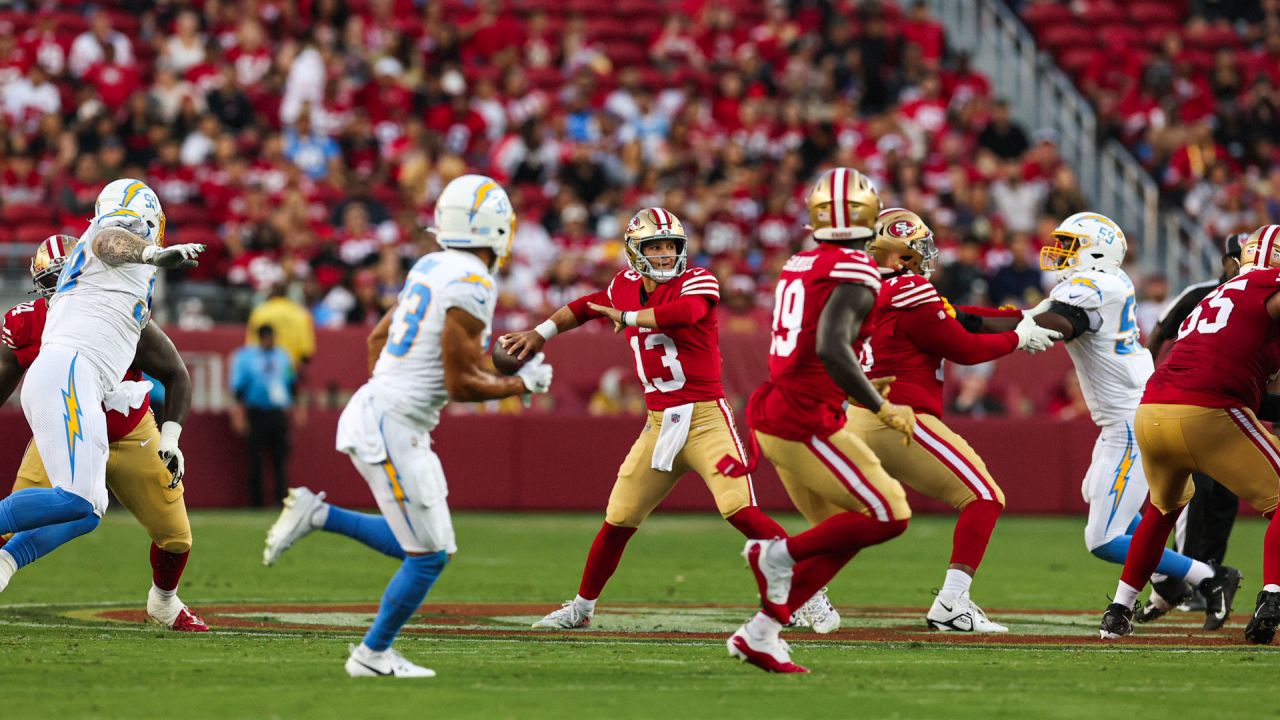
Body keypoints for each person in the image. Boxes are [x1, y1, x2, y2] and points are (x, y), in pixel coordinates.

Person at [261, 175, 554, 678]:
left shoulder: (431, 264)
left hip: (386, 412)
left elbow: (378, 338)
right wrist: (521, 386)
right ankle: (371, 656)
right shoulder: (473, 282)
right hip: (391, 423)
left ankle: (319, 514)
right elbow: (461, 385)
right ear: (496, 230)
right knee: (428, 557)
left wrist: (400, 389)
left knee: (429, 543)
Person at [499, 207, 791, 631]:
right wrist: (538, 333)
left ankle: (809, 591)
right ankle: (581, 608)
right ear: (636, 252)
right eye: (655, 247)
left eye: (671, 246)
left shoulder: (698, 280)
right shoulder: (624, 286)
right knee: (618, 519)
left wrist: (626, 317)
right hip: (658, 424)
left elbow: (684, 315)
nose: (665, 254)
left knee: (739, 509)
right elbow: (585, 306)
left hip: (706, 418)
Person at [716, 168, 914, 673]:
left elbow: (817, 344)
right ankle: (776, 557)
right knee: (890, 514)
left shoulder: (800, 261)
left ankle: (762, 632)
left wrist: (854, 388)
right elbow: (831, 346)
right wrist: (878, 404)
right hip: (803, 416)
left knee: (843, 530)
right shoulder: (856, 268)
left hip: (790, 406)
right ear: (870, 214)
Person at [851, 208, 1060, 632]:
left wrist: (1024, 315)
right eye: (919, 248)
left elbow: (958, 314)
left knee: (859, 515)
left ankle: (798, 593)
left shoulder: (863, 292)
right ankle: (951, 603)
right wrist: (1018, 338)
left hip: (854, 416)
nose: (928, 255)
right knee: (984, 497)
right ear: (898, 256)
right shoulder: (911, 290)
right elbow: (963, 346)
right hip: (900, 415)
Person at [1032, 212, 1240, 631]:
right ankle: (1165, 575)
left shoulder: (1098, 286)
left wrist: (982, 328)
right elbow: (1039, 315)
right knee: (1097, 494)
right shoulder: (1109, 282)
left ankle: (1207, 576)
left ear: (1094, 251)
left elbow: (1052, 322)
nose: (1059, 252)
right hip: (1125, 417)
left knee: (1103, 539)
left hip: (1131, 423)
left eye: (1069, 244)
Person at [0, 178, 205, 592]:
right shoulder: (109, 238)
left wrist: (171, 437)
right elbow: (108, 240)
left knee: (88, 509)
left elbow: (174, 371)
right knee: (74, 499)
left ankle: (8, 559)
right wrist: (151, 251)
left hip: (84, 383)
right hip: (71, 370)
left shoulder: (112, 282)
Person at [1097, 225, 1280, 644]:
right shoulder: (1266, 283)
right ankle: (1273, 596)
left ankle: (1119, 609)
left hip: (1153, 412)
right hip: (1207, 411)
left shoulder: (1221, 293)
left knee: (1161, 511)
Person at [1136, 233, 1244, 622]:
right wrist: (1142, 375)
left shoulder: (1261, 296)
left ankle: (1209, 574)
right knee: (1195, 495)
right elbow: (1161, 332)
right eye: (1237, 256)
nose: (1241, 262)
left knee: (1225, 496)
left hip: (1234, 406)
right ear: (1226, 260)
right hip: (1194, 403)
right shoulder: (1201, 293)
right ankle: (1192, 576)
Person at [229, 325, 296, 506]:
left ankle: (280, 499)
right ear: (261, 338)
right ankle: (257, 501)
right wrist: (239, 413)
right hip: (256, 412)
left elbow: (291, 382)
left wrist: (295, 408)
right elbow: (238, 388)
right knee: (255, 458)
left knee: (280, 458)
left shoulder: (283, 356)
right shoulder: (247, 358)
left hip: (278, 412)